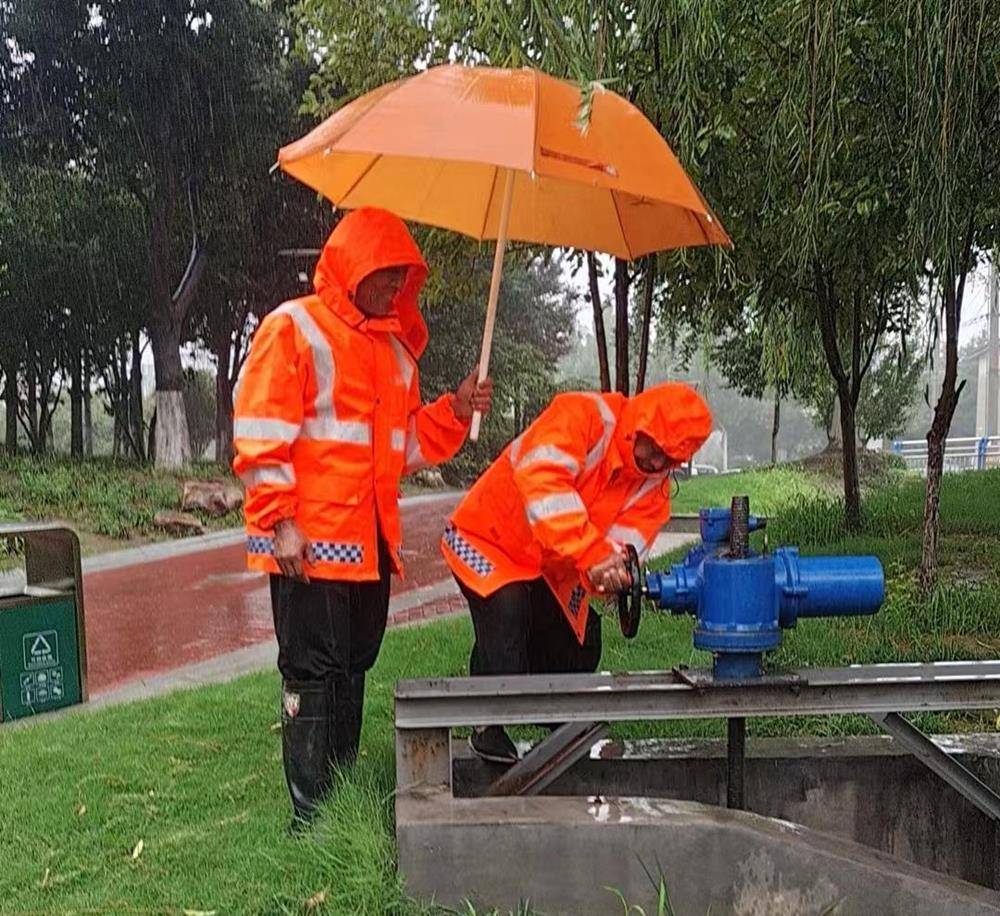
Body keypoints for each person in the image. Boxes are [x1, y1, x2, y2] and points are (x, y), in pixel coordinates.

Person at [233, 207, 492, 825]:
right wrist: (279, 521)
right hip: (308, 539)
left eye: (402, 278)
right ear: (351, 268)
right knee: (311, 668)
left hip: (369, 543)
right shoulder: (294, 328)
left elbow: (401, 448)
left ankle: (339, 791)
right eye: (383, 276)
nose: (393, 289)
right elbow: (260, 429)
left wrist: (454, 410)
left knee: (353, 665)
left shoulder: (395, 352)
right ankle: (309, 813)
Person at [440, 382, 711, 763]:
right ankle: (487, 728)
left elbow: (615, 560)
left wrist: (608, 576)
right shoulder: (582, 416)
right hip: (484, 538)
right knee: (506, 613)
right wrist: (592, 554)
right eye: (653, 448)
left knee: (581, 644)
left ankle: (557, 723)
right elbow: (542, 479)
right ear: (639, 425)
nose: (655, 463)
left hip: (551, 567)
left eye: (668, 459)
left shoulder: (654, 494)